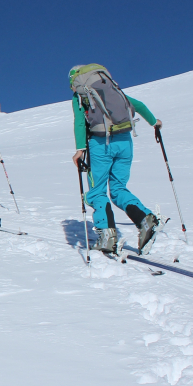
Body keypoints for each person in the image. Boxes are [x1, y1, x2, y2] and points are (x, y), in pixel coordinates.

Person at [68, 64, 163, 254]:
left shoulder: (80, 96)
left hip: (101, 144)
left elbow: (79, 122)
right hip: (125, 141)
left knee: (97, 191)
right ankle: (145, 219)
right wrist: (155, 122)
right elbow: (140, 105)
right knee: (118, 188)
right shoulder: (112, 91)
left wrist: (79, 149)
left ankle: (106, 236)